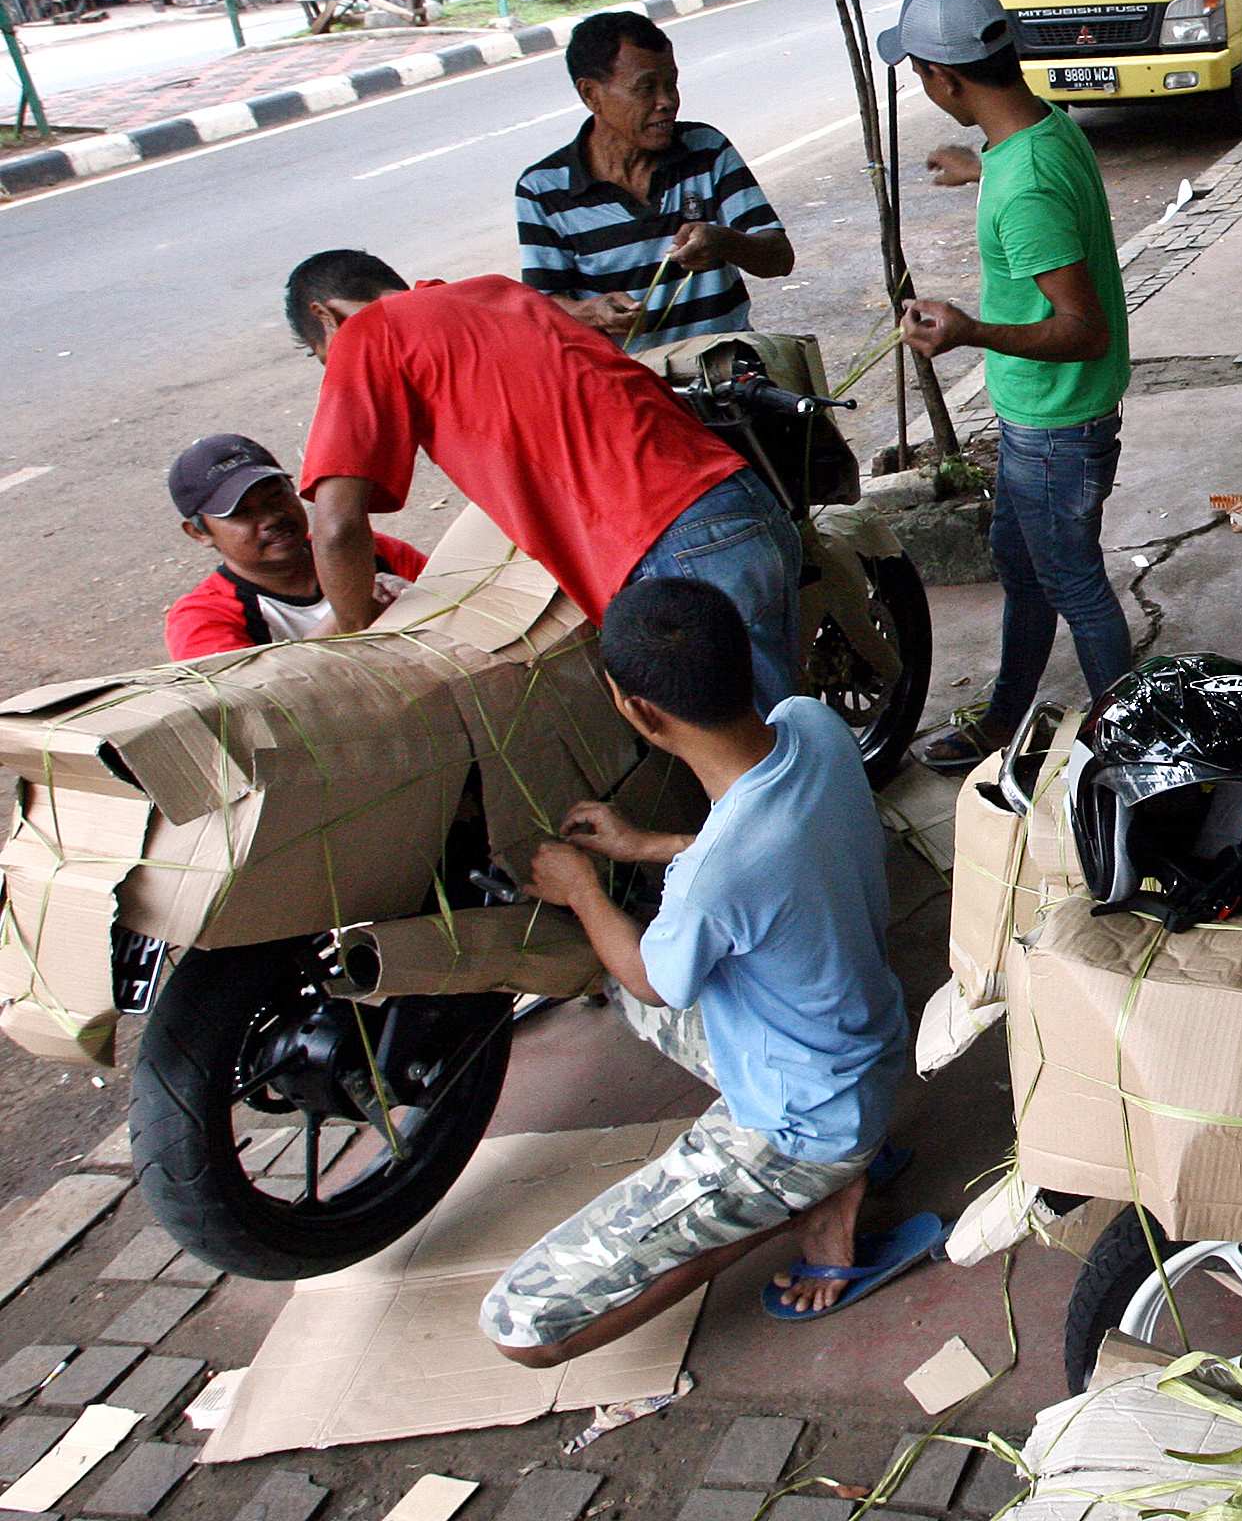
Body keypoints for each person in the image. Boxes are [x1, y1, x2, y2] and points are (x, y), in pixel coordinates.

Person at [482, 576, 927, 1365]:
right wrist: (644, 846)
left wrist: (583, 891)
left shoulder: (712, 878)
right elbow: (767, 859)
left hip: (802, 1126)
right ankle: (832, 1171)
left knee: (520, 1332)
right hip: (863, 1049)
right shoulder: (811, 723)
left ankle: (807, 1198)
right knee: (613, 977)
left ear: (638, 711)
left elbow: (655, 979)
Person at [287, 250, 804, 713]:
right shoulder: (492, 292)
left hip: (671, 539)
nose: (328, 366)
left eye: (318, 354)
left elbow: (336, 527)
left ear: (326, 316)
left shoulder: (365, 332)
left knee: (752, 760)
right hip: (739, 500)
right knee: (783, 729)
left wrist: (356, 634)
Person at [873, 0, 1132, 774]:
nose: (922, 87)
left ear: (944, 79)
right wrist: (977, 171)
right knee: (1023, 570)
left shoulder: (1024, 185)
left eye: (920, 74)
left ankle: (1132, 751)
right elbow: (1031, 189)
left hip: (1058, 427)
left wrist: (968, 331)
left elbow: (1083, 329)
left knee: (1075, 587)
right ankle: (1004, 717)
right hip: (1041, 420)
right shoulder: (1040, 132)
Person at [515, 11, 794, 353]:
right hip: (628, 380)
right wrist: (590, 312)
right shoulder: (543, 190)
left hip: (727, 369)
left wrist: (724, 242)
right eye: (646, 88)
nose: (667, 101)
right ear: (591, 94)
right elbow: (539, 310)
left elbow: (779, 258)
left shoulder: (707, 150)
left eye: (671, 83)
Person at [164, 434, 429, 659]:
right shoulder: (202, 619)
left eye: (277, 496)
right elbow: (255, 695)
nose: (272, 518)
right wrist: (350, 609)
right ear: (199, 533)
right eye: (242, 513)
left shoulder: (365, 550)